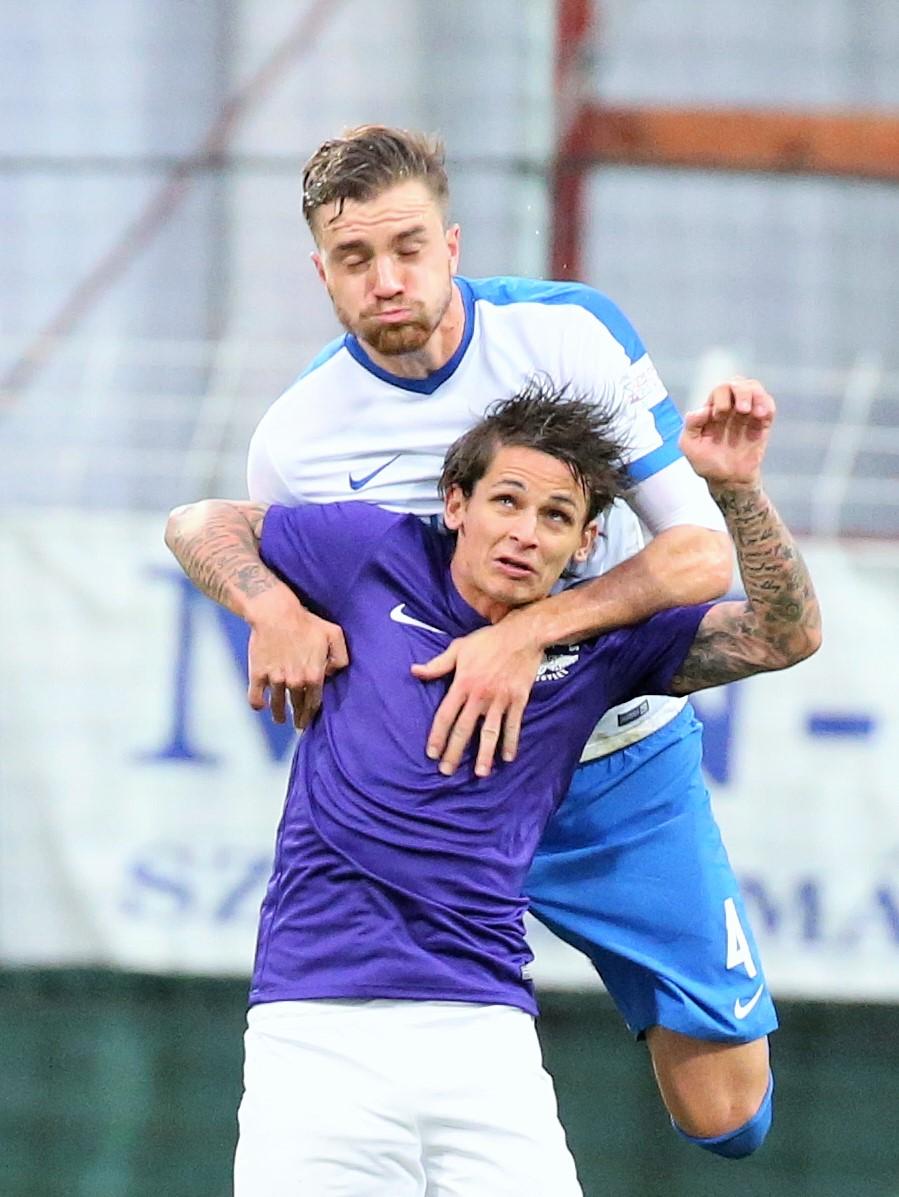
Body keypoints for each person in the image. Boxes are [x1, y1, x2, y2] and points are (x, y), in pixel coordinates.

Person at [194, 125, 778, 1157]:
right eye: (354, 257)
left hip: (614, 761)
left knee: (724, 1114)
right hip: (448, 788)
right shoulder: (298, 436)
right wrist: (272, 612)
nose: (386, 279)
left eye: (408, 247)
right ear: (321, 272)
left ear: (452, 245)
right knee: (387, 1049)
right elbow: (249, 551)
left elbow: (697, 559)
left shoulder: (567, 336)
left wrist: (531, 635)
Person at [165, 380, 820, 1196]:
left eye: (555, 516)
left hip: (483, 1035)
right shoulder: (374, 553)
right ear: (456, 504)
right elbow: (195, 522)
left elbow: (785, 634)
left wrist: (735, 492)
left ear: (584, 544)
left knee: (727, 1111)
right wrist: (273, 611)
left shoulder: (600, 647)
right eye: (505, 500)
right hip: (315, 1025)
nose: (524, 532)